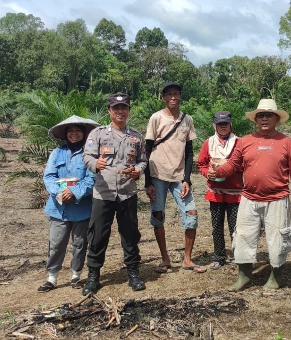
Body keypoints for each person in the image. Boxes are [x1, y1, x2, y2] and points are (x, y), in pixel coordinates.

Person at [208, 99, 291, 291]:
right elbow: (234, 164)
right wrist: (218, 172)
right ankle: (244, 276)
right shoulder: (245, 141)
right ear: (255, 119)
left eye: (268, 114)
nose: (264, 118)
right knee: (243, 237)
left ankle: (275, 277)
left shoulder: (286, 142)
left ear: (277, 119)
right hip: (249, 198)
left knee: (278, 239)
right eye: (260, 115)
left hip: (278, 199)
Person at [81, 93, 149, 295]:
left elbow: (143, 160)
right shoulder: (98, 134)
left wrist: (139, 170)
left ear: (128, 110)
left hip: (127, 193)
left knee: (129, 234)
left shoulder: (136, 137)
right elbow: (87, 156)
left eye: (124, 108)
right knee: (98, 236)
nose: (120, 111)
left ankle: (133, 273)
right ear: (109, 111)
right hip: (104, 193)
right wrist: (95, 164)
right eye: (116, 108)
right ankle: (93, 276)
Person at [144, 82, 205, 273]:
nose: (173, 97)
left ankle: (187, 259)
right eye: (169, 94)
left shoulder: (187, 120)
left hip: (179, 177)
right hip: (157, 174)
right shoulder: (156, 118)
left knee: (191, 214)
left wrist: (187, 179)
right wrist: (147, 182)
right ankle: (165, 259)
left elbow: (189, 152)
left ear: (180, 96)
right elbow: (146, 151)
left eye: (176, 94)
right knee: (158, 215)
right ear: (163, 97)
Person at [39, 115, 99, 292]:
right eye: (70, 131)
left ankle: (76, 275)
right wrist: (60, 192)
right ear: (65, 134)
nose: (74, 134)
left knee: (80, 243)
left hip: (82, 207)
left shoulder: (90, 155)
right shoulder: (57, 153)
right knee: (56, 243)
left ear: (84, 134)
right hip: (58, 208)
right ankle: (52, 277)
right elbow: (49, 177)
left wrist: (74, 192)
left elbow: (92, 178)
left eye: (77, 131)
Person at [196, 111, 243, 270]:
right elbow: (201, 164)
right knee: (216, 225)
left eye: (225, 123)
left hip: (235, 192)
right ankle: (219, 256)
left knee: (235, 226)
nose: (223, 127)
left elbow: (246, 164)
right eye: (219, 124)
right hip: (215, 191)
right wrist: (206, 173)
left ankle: (238, 254)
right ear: (214, 125)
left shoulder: (239, 143)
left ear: (230, 124)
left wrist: (230, 167)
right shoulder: (208, 143)